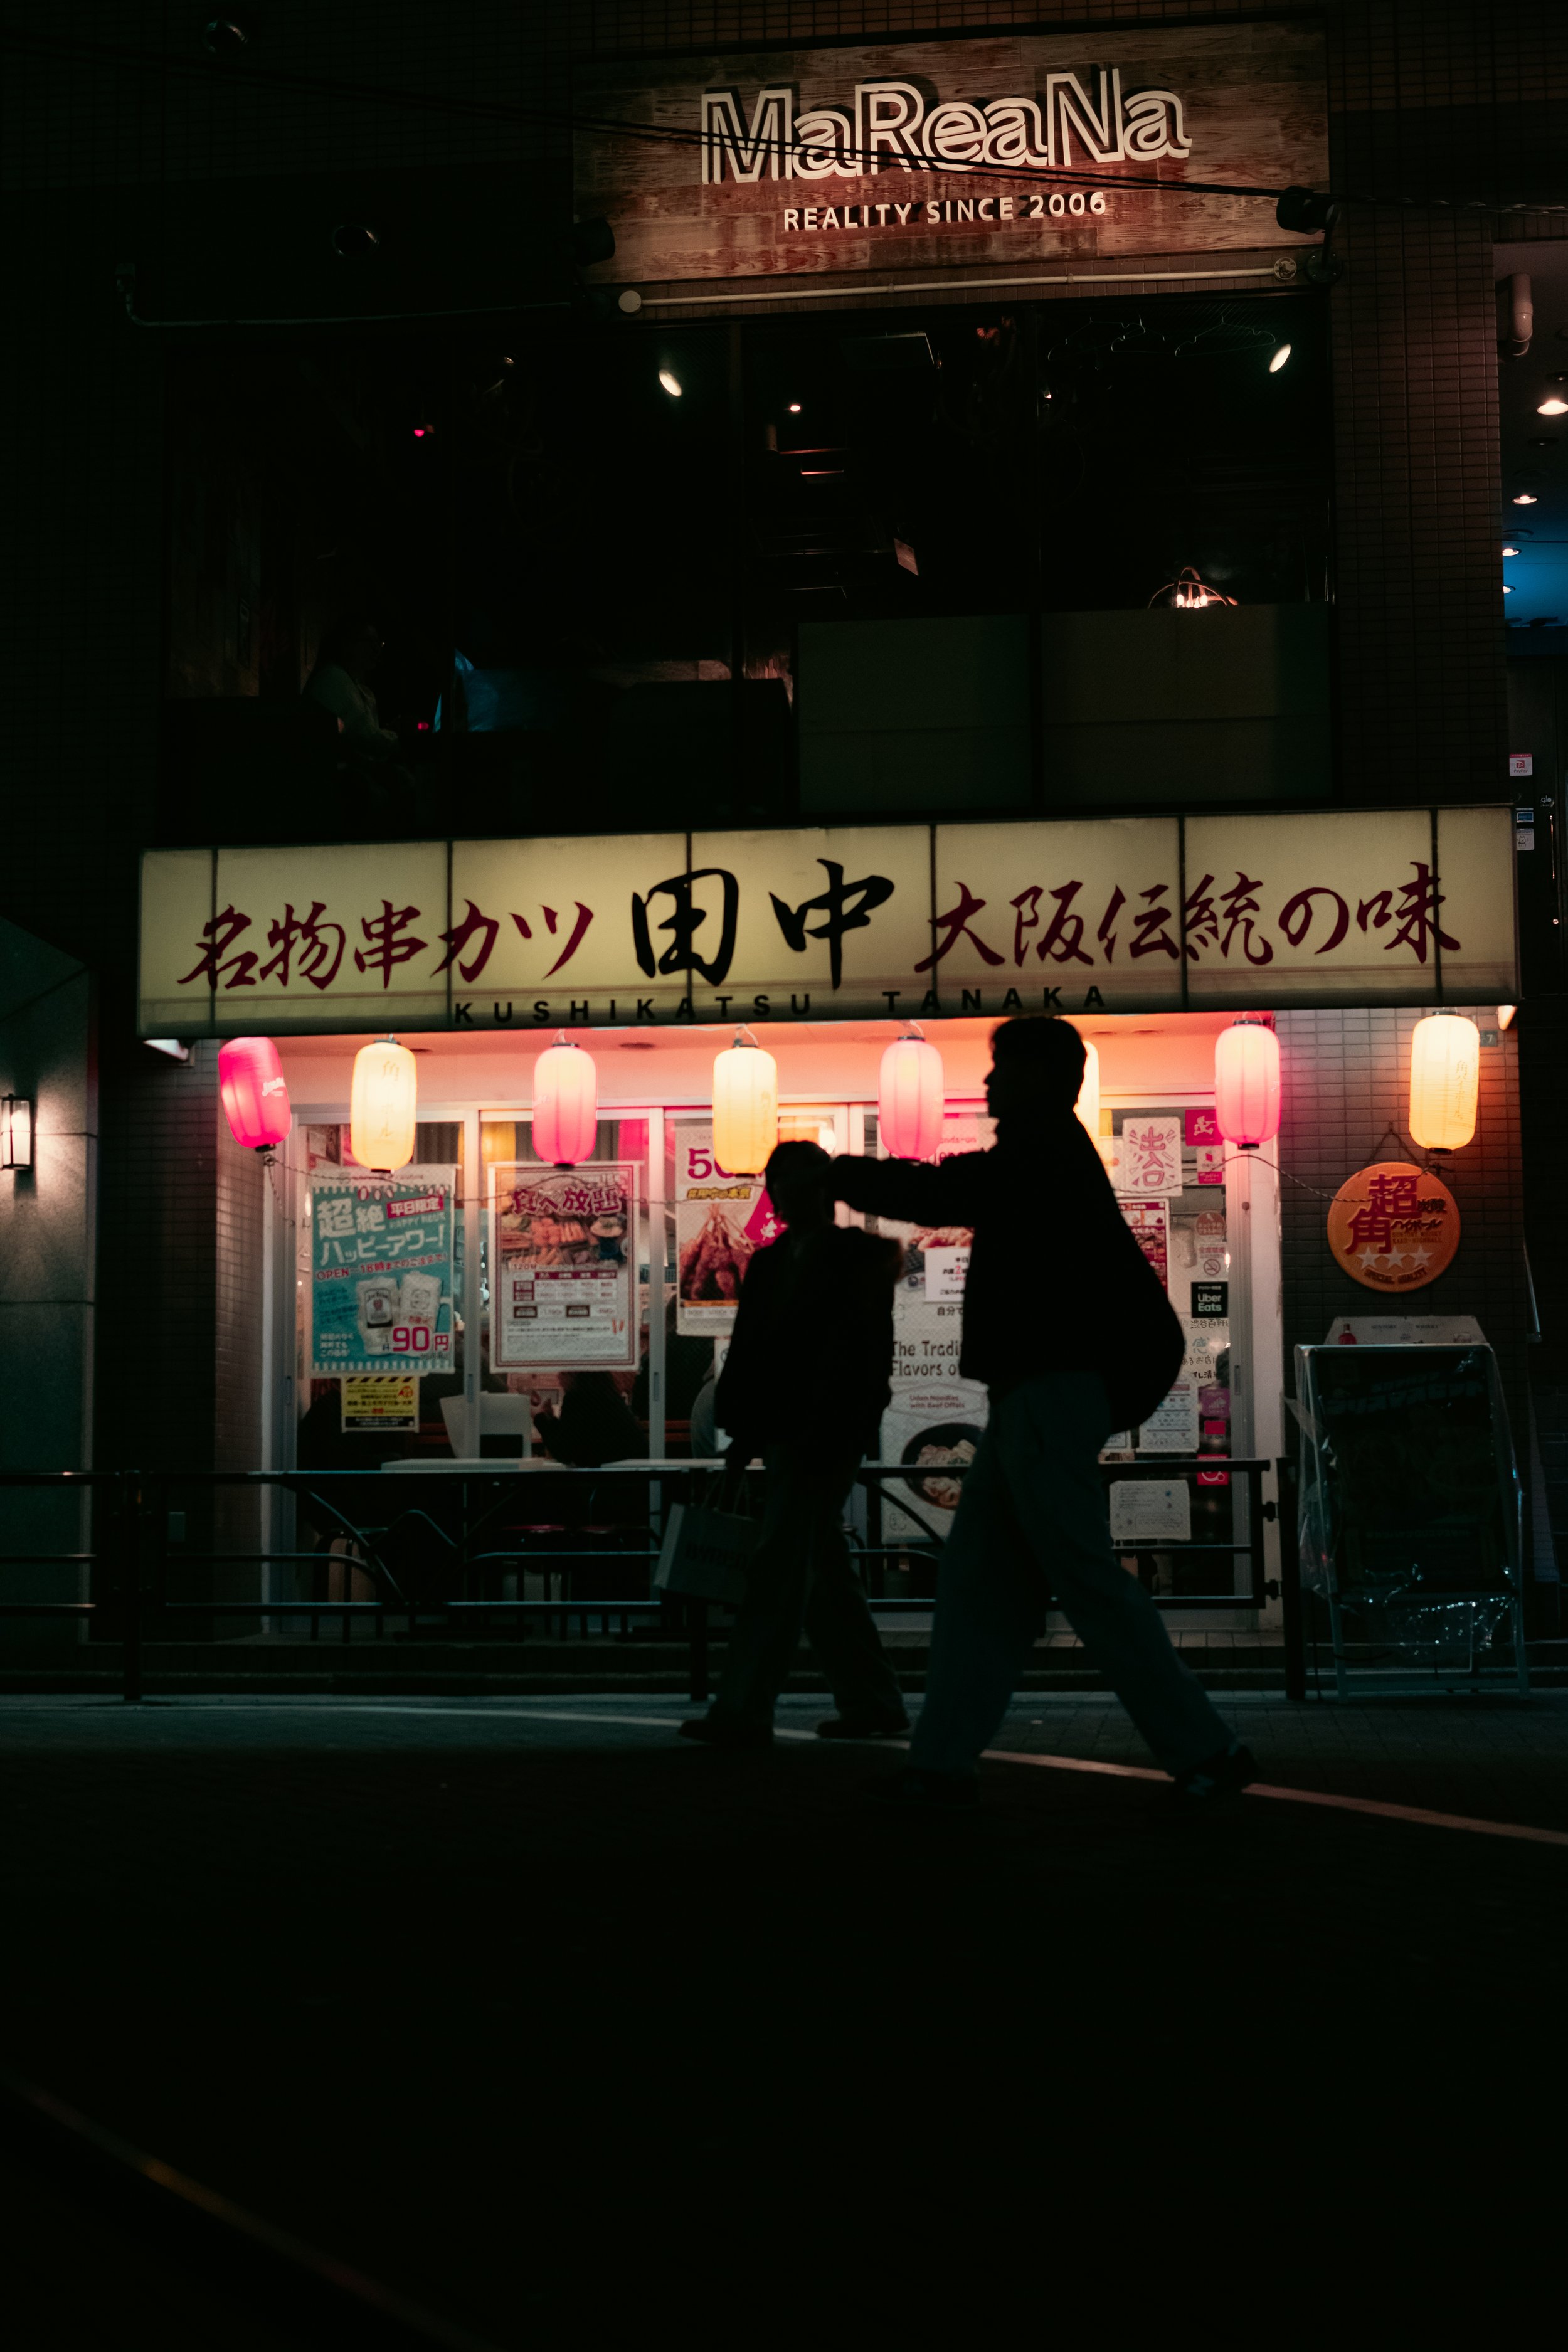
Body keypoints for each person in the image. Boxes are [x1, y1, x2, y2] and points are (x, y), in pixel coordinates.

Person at [827, 1015, 1255, 1806]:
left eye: (1001, 1069)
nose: (987, 1084)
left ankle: (1204, 1749)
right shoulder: (1051, 1151)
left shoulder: (1042, 1152)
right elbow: (951, 1190)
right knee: (979, 1584)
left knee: (1073, 1581)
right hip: (1042, 1395)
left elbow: (943, 1191)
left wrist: (839, 1176)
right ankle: (943, 1761)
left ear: (1041, 1078)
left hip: (1048, 1393)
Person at [679, 1140, 909, 1751]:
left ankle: (745, 1708)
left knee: (779, 1567)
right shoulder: (785, 1259)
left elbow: (831, 1356)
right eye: (779, 1183)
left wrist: (749, 1429)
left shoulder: (809, 1260)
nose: (785, 1194)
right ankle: (872, 1699)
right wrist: (746, 1432)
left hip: (818, 1432)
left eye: (794, 1183)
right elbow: (759, 1354)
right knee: (820, 1568)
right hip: (799, 1431)